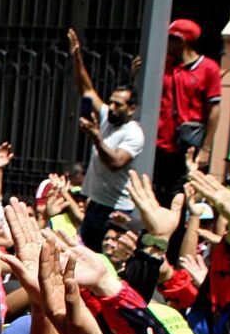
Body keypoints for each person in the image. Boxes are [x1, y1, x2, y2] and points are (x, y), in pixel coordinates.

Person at [67, 28, 144, 253]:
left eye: (118, 105)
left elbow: (115, 161)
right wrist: (77, 57)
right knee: (87, 255)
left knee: (109, 259)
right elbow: (87, 88)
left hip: (116, 211)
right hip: (95, 204)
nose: (111, 107)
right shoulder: (107, 118)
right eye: (110, 102)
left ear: (131, 109)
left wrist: (96, 136)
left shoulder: (133, 133)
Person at [155, 19, 221, 198]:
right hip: (159, 142)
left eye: (170, 39)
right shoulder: (163, 64)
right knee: (154, 190)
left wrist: (206, 148)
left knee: (179, 194)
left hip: (186, 144)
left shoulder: (209, 69)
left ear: (181, 41)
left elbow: (215, 109)